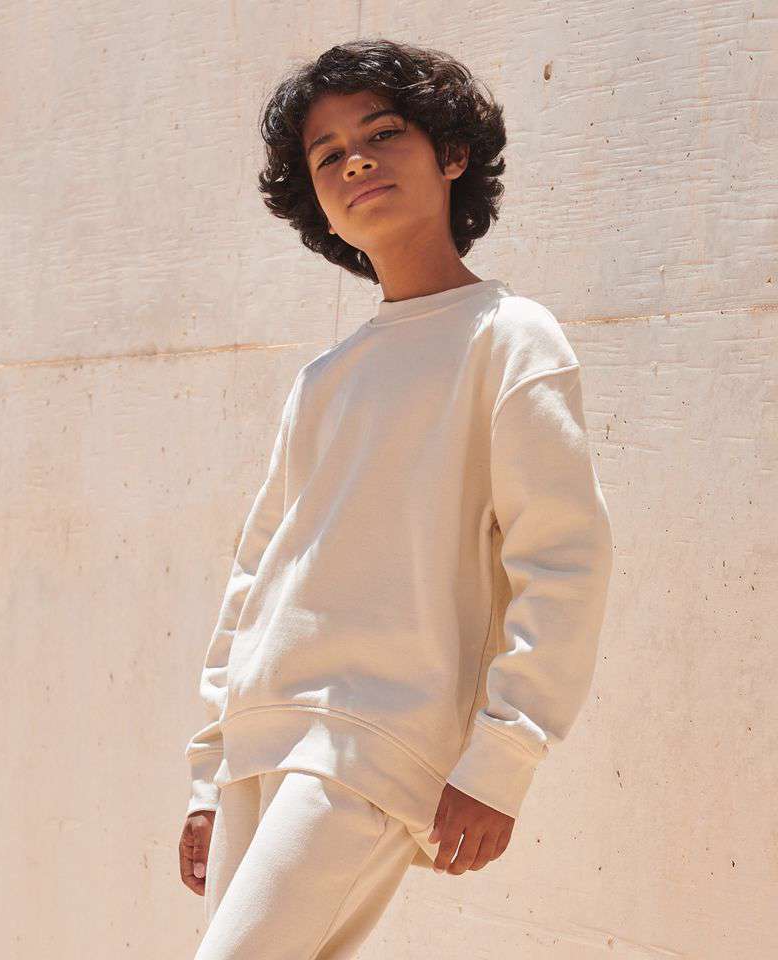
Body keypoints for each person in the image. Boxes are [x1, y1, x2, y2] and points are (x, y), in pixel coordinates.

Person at [178, 37, 614, 959]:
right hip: (264, 736)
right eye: (328, 154)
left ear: (451, 153)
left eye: (382, 134)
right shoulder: (323, 381)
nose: (355, 162)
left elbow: (564, 559)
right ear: (317, 201)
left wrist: (503, 759)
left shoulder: (509, 338)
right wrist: (211, 772)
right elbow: (255, 575)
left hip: (372, 745)